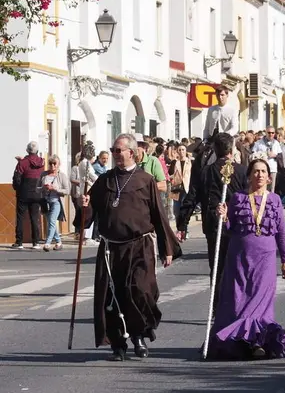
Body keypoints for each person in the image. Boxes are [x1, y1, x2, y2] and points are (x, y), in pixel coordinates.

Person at [83, 133, 181, 361]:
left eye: (120, 150)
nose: (116, 154)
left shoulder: (145, 180)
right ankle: (118, 345)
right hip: (110, 250)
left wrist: (167, 248)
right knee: (112, 298)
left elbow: (159, 215)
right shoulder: (104, 180)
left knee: (139, 291)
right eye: (114, 150)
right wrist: (84, 206)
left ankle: (138, 336)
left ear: (132, 152)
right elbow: (88, 215)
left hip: (140, 246)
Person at [207, 159, 285, 360]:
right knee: (239, 300)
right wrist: (224, 217)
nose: (260, 175)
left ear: (269, 177)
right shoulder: (238, 198)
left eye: (263, 171)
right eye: (256, 171)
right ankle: (239, 342)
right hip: (239, 257)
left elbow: (281, 232)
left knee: (260, 301)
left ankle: (257, 342)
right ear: (249, 176)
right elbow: (230, 230)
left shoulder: (275, 200)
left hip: (266, 258)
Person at [178, 133, 247, 308]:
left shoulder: (207, 171)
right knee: (234, 266)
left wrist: (182, 224)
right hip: (233, 225)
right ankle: (227, 306)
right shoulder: (241, 171)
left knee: (217, 268)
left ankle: (220, 306)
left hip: (216, 224)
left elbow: (191, 198)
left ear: (215, 150)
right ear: (231, 150)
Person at [12, 141, 44, 249]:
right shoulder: (42, 163)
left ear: (27, 150)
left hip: (24, 193)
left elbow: (17, 178)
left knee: (20, 217)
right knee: (35, 218)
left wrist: (17, 189)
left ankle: (19, 242)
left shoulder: (22, 163)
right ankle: (36, 242)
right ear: (37, 151)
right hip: (37, 193)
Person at [39, 154, 69, 252]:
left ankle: (47, 243)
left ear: (58, 164)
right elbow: (36, 188)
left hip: (56, 202)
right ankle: (59, 242)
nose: (52, 166)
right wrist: (43, 188)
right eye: (50, 163)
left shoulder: (62, 176)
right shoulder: (44, 175)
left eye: (54, 163)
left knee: (52, 221)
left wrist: (55, 189)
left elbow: (67, 191)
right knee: (51, 223)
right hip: (46, 202)